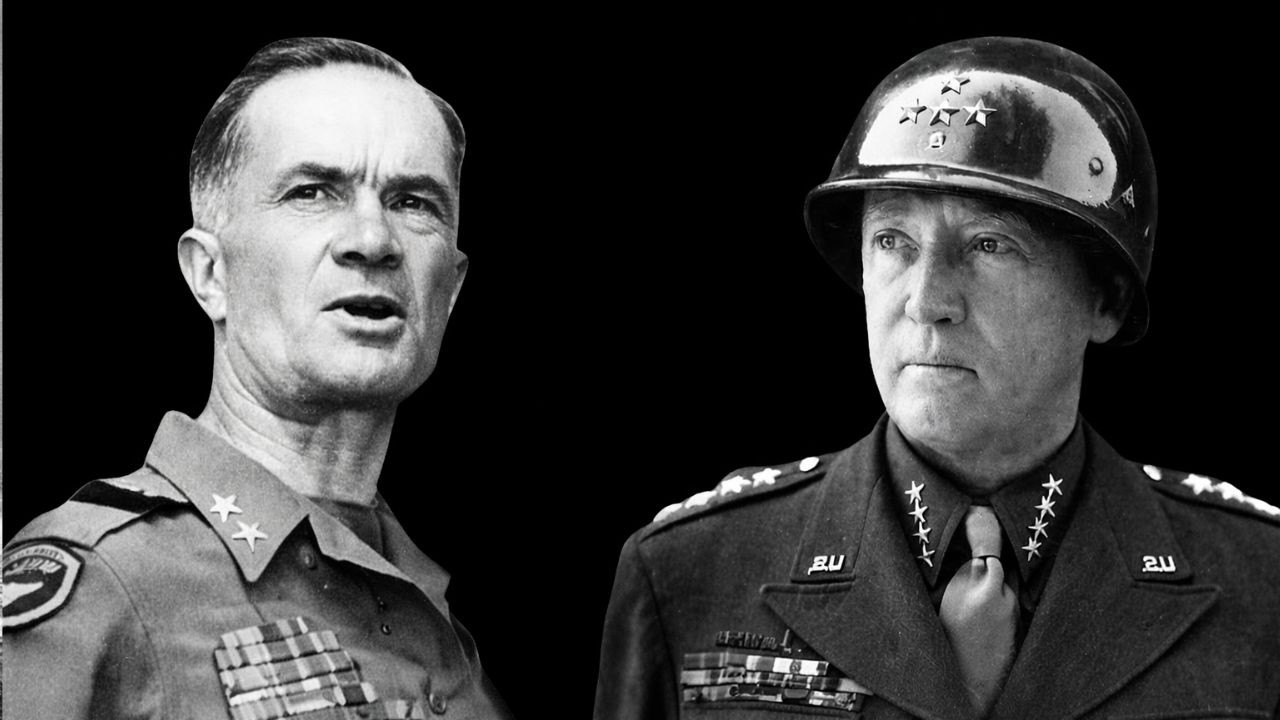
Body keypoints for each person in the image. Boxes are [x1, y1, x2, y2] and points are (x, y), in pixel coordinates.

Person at [594, 37, 1280, 719]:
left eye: (989, 245)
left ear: (1107, 297)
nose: (927, 302)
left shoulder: (1263, 581)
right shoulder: (689, 574)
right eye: (893, 241)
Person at [2, 37, 511, 720]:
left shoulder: (437, 617)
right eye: (312, 192)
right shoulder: (103, 590)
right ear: (210, 273)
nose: (373, 240)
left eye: (414, 201)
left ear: (449, 290)